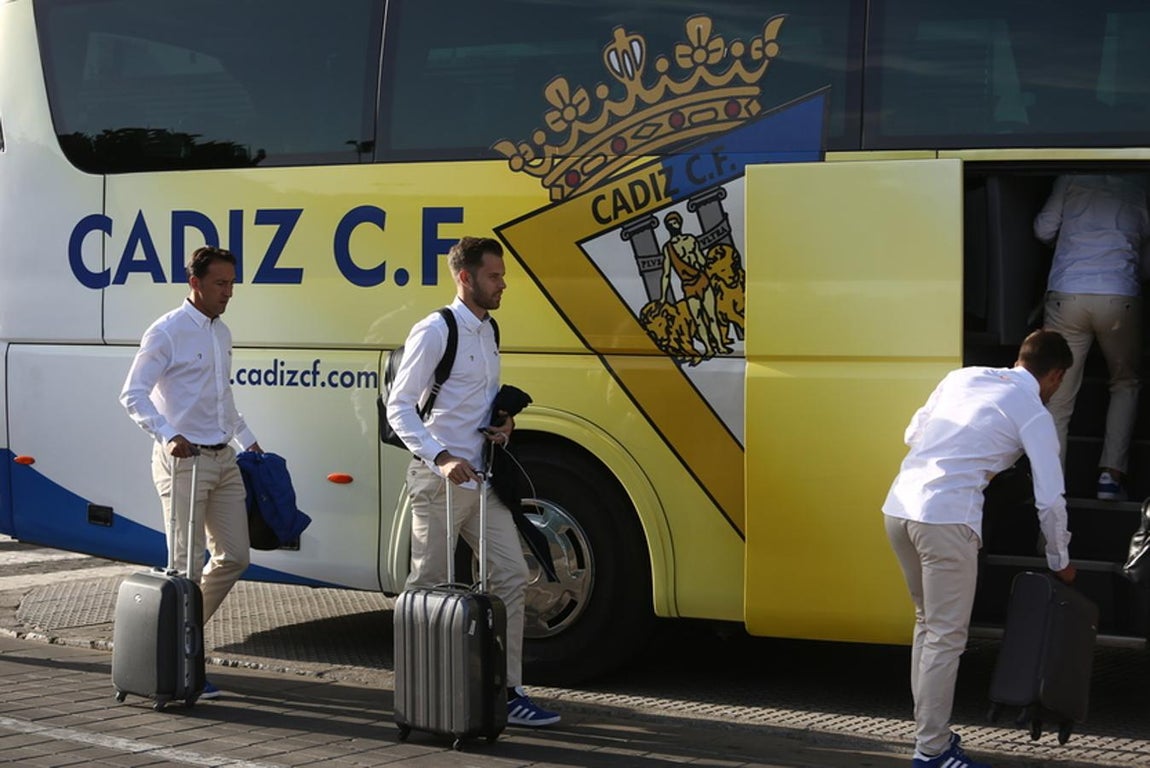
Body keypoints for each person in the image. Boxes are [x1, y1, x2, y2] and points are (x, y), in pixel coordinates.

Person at [386, 235, 560, 727]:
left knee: (509, 575)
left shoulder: (489, 329)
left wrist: (505, 425)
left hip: (482, 481)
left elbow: (480, 404)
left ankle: (507, 691)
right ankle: (421, 692)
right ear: (465, 278)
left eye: (501, 275)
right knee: (428, 587)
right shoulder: (436, 330)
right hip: (438, 481)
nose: (502, 284)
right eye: (494, 276)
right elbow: (399, 406)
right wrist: (440, 456)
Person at [882, 329, 1077, 768]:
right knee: (947, 639)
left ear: (1020, 358)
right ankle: (930, 750)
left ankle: (929, 735)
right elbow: (1050, 498)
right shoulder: (1033, 412)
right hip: (946, 519)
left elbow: (913, 431)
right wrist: (1059, 559)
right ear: (1057, 376)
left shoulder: (962, 377)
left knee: (927, 625)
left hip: (899, 508)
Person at [120, 245, 262, 700]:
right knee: (183, 566)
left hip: (223, 459)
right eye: (221, 284)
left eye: (233, 285)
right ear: (195, 283)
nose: (229, 293)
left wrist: (247, 439)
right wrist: (166, 434)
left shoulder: (222, 333)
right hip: (183, 462)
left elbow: (222, 397)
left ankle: (177, 637)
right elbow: (133, 394)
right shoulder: (167, 331)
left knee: (236, 556)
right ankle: (181, 662)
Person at [1034, 173, 1150, 501]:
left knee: (1058, 396)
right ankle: (1110, 478)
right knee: (1125, 383)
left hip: (1067, 293)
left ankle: (1051, 488)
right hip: (1120, 295)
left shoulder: (1069, 177)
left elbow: (1043, 229)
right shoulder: (1138, 183)